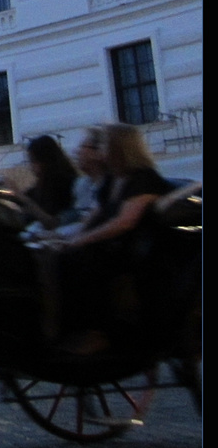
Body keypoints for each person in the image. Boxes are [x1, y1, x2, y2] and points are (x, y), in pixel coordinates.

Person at [53, 124, 171, 353]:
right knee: (64, 257)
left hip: (136, 251)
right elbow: (96, 214)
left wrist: (83, 240)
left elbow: (124, 222)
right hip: (112, 246)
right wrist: (71, 238)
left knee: (85, 262)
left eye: (106, 145)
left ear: (119, 149)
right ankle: (67, 328)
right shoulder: (112, 180)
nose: (101, 150)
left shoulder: (143, 179)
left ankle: (99, 331)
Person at [12, 135, 79, 229]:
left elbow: (52, 221)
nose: (31, 166)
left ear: (45, 161)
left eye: (33, 161)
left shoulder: (64, 183)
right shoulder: (40, 186)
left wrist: (22, 198)